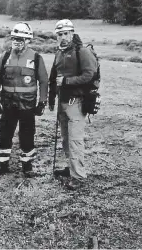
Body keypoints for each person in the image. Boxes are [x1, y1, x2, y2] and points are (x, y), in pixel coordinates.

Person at [0, 22, 48, 177]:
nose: (17, 41)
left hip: (27, 105)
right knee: (4, 133)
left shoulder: (36, 58)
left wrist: (42, 102)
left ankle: (27, 167)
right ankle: (2, 164)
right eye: (14, 38)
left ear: (28, 40)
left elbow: (43, 81)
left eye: (21, 39)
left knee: (27, 135)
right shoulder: (5, 56)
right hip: (8, 104)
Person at [48, 19, 98, 190]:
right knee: (65, 138)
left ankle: (79, 176)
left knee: (75, 140)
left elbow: (89, 74)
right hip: (62, 102)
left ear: (72, 33)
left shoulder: (82, 51)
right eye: (59, 34)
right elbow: (54, 78)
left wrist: (67, 81)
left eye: (65, 33)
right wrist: (51, 99)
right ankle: (71, 169)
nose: (62, 37)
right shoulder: (59, 52)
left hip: (77, 102)